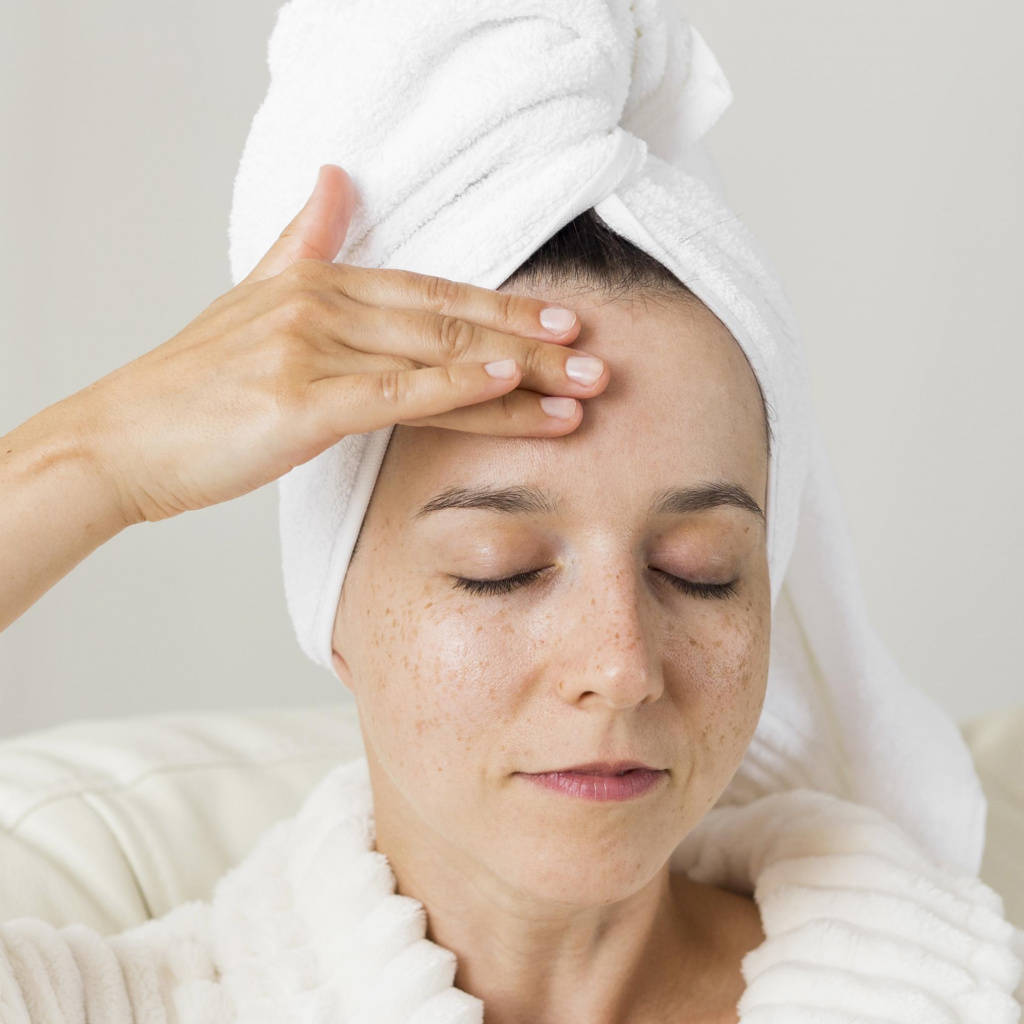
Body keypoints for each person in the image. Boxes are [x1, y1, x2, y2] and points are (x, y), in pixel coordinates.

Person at [0, 164, 771, 1023]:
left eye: (699, 569)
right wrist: (97, 458)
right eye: (499, 566)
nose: (622, 665)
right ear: (335, 612)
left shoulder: (945, 983)